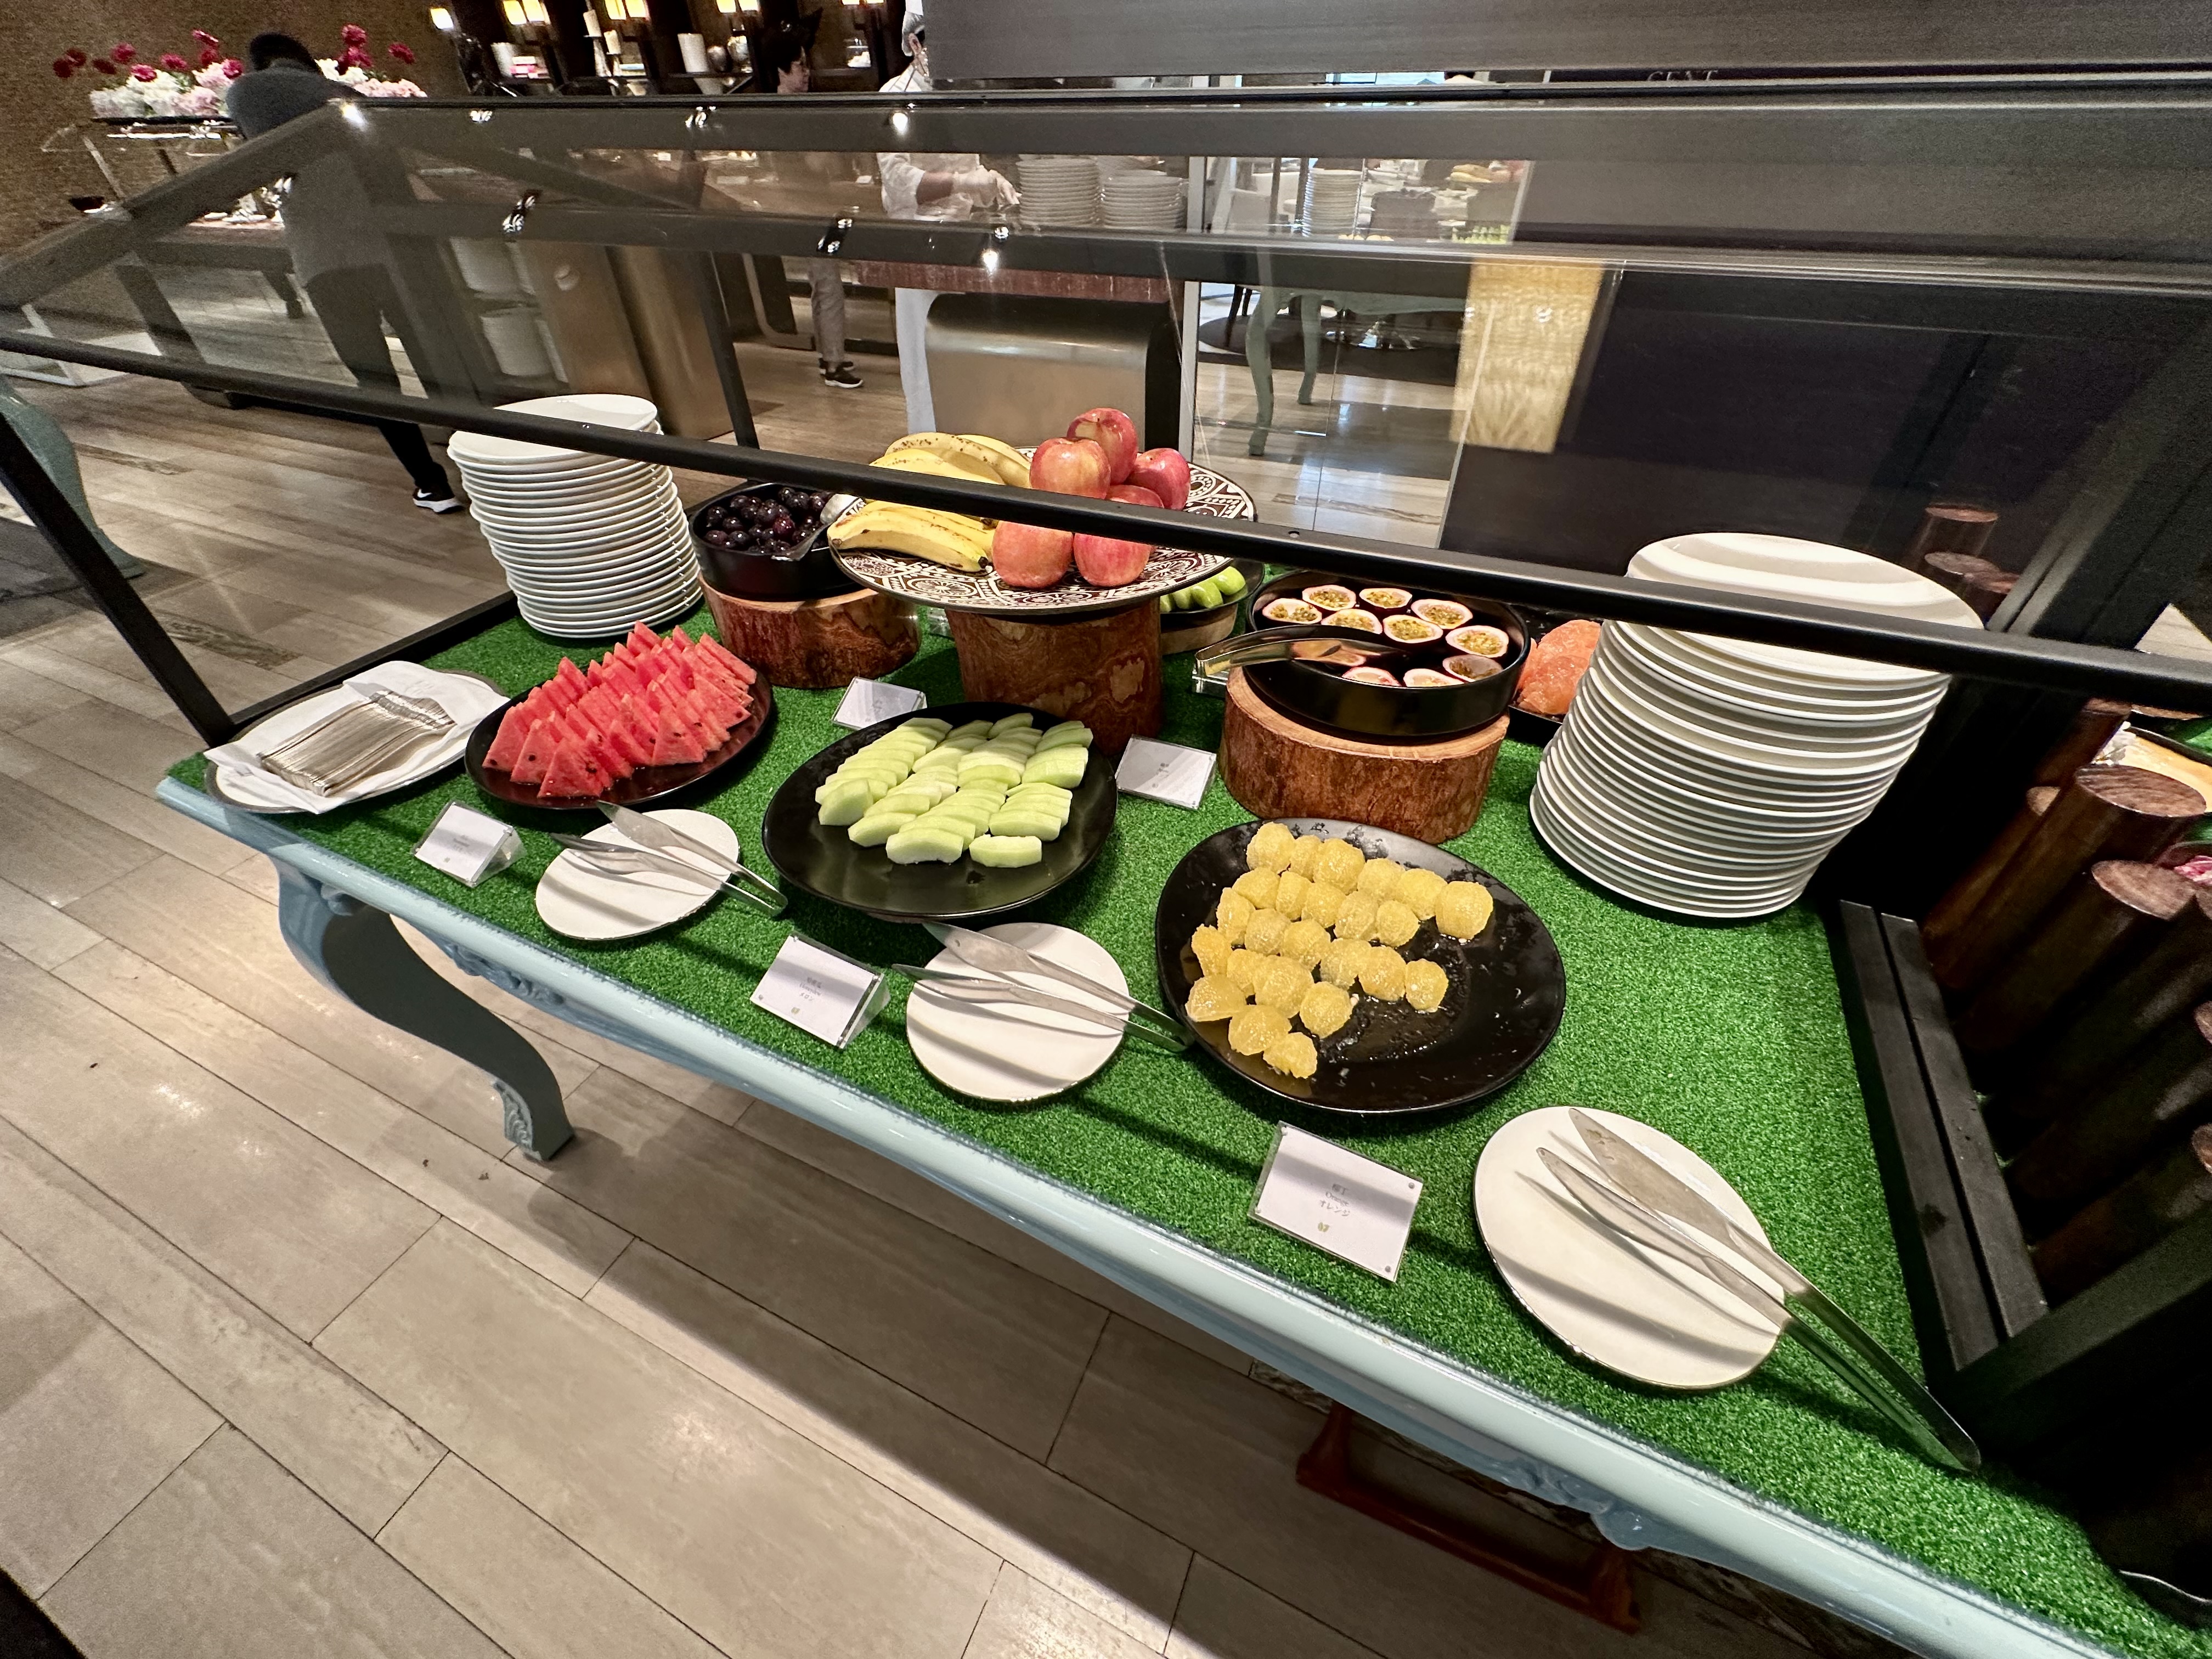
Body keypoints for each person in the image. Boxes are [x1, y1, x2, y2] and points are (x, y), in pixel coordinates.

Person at [226, 33, 461, 512]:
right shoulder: (338, 94)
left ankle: (431, 484)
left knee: (373, 378)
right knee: (434, 358)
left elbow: (258, 165)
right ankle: (481, 465)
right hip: (389, 247)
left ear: (257, 61)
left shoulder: (246, 92)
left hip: (322, 255)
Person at [875, 1, 1018, 431]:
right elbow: (899, 182)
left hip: (965, 243)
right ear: (914, 42)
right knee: (925, 367)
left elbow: (972, 172)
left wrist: (991, 188)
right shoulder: (893, 98)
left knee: (966, 360)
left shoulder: (958, 97)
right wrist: (962, 183)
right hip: (919, 246)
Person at [762, 31, 862, 390]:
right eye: (798, 66)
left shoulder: (778, 110)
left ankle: (829, 358)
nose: (806, 73)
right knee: (829, 284)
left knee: (823, 285)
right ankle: (834, 364)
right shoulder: (786, 114)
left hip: (813, 208)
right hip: (810, 211)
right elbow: (817, 164)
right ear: (780, 71)